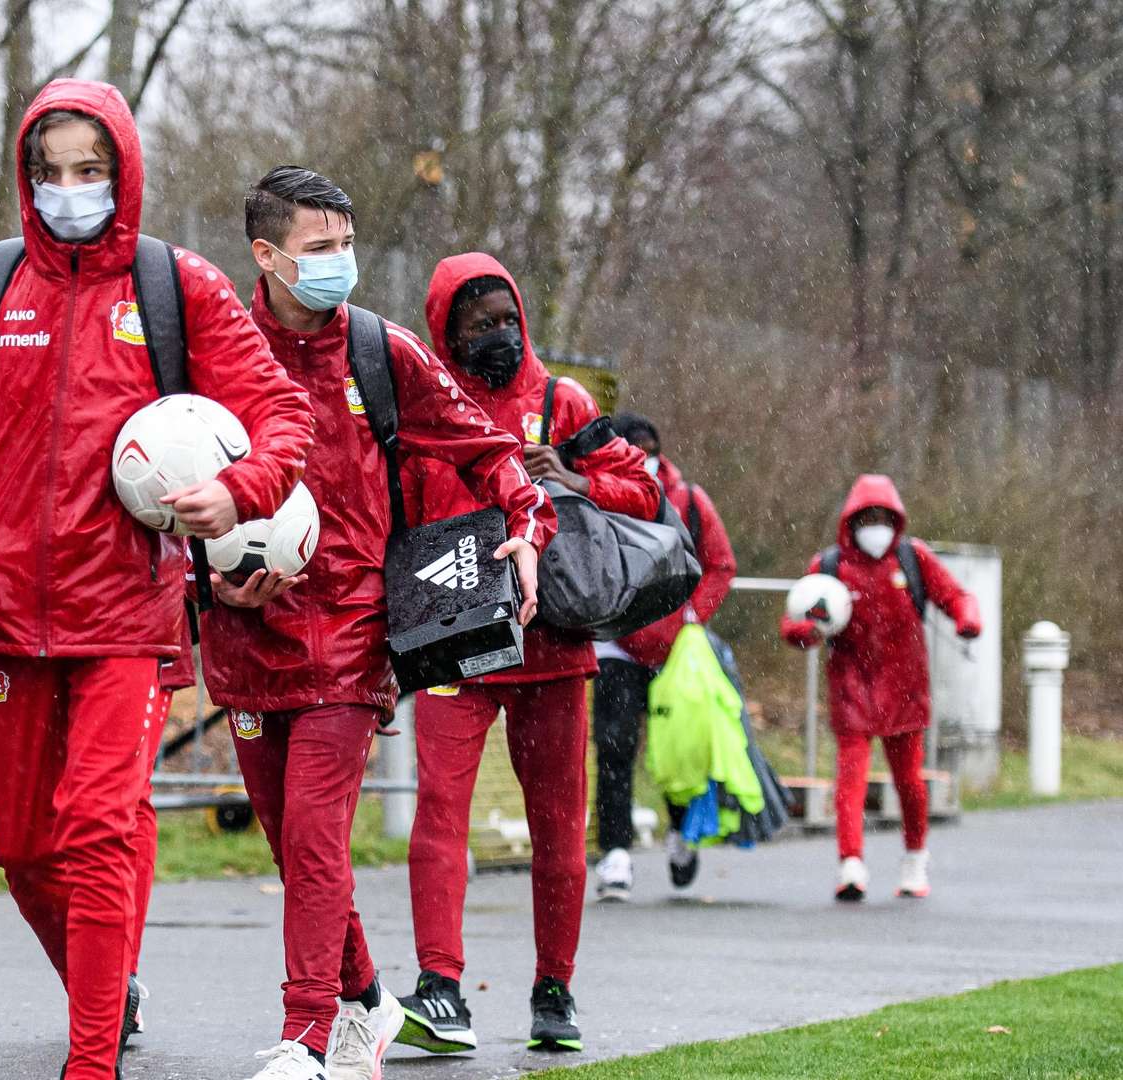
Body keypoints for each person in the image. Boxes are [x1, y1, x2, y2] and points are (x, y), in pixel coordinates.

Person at [0, 80, 314, 1080]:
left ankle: (92, 1060)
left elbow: (281, 419)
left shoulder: (178, 287)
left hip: (127, 616)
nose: (69, 189)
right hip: (4, 617)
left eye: (90, 170)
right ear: (24, 177)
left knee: (98, 827)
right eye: (49, 173)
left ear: (123, 170)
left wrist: (239, 491)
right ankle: (106, 982)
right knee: (23, 848)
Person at [201, 168, 551, 1080]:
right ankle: (369, 1004)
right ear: (267, 256)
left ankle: (306, 1036)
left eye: (346, 244)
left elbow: (489, 449)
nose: (340, 264)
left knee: (317, 841)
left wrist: (525, 525)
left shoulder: (381, 351)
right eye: (319, 249)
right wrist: (203, 570)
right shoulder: (215, 350)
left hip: (352, 639)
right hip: (243, 640)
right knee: (292, 847)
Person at [394, 254, 661, 1057]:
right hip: (454, 639)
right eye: (479, 326)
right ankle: (441, 986)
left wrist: (574, 472)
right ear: (447, 329)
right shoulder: (422, 406)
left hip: (553, 648)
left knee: (557, 825)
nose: (499, 337)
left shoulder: (563, 401)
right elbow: (395, 507)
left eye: (507, 320)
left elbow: (643, 490)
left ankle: (555, 988)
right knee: (439, 812)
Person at [780, 474, 981, 902]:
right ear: (851, 522)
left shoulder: (913, 559)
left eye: (883, 518)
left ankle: (915, 857)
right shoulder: (829, 567)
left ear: (896, 521)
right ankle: (850, 862)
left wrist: (967, 620)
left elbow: (955, 595)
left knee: (909, 781)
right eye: (867, 518)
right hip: (851, 686)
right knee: (849, 780)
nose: (876, 527)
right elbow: (797, 618)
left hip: (906, 689)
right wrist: (802, 631)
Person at [590, 413, 738, 899]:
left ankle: (680, 833)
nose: (642, 457)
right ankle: (615, 853)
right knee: (614, 746)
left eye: (648, 448)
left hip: (676, 652)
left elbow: (720, 563)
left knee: (679, 747)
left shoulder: (689, 501)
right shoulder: (596, 495)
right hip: (615, 644)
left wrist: (692, 615)